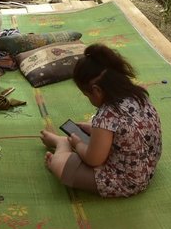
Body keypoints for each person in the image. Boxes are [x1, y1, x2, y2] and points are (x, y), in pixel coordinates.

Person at [40, 44, 162, 197]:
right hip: (148, 165)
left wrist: (76, 144)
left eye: (87, 95)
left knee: (59, 166)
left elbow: (93, 159)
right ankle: (67, 142)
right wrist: (92, 130)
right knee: (94, 127)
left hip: (127, 181)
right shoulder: (139, 96)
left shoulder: (106, 116)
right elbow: (125, 130)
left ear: (97, 90)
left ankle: (62, 144)